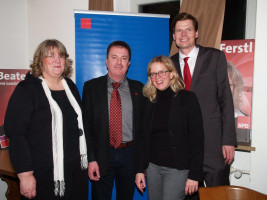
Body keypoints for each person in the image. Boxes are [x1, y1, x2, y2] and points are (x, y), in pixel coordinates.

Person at [4, 39, 88, 199]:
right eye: (51, 55)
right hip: (42, 173)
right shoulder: (27, 89)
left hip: (76, 170)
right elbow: (16, 134)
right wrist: (25, 174)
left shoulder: (70, 86)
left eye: (61, 55)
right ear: (40, 61)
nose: (57, 60)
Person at [171, 12, 237, 187]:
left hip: (213, 147)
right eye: (179, 30)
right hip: (184, 149)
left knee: (218, 195)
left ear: (196, 33)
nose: (183, 34)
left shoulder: (215, 57)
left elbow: (226, 100)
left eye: (188, 29)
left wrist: (229, 140)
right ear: (174, 36)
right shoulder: (168, 66)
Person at [135, 56, 204, 200]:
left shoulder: (188, 99)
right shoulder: (148, 101)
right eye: (153, 74)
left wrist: (194, 175)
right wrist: (140, 170)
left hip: (177, 169)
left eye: (162, 72)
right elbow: (143, 139)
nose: (158, 77)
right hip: (152, 168)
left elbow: (197, 140)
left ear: (172, 74)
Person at [82, 40, 143, 200]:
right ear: (106, 62)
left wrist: (140, 166)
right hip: (102, 153)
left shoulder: (139, 89)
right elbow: (86, 127)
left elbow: (143, 130)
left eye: (123, 58)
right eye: (114, 57)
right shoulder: (91, 87)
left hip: (129, 155)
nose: (118, 62)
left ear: (129, 63)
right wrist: (92, 159)